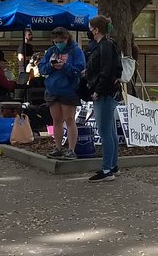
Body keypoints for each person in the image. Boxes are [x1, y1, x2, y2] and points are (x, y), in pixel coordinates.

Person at [84, 15, 123, 182]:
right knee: (111, 130)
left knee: (105, 131)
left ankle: (107, 169)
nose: (89, 31)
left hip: (104, 93)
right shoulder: (109, 44)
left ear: (96, 29)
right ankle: (113, 165)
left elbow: (106, 70)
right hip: (110, 91)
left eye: (90, 28)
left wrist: (97, 91)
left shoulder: (104, 45)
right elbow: (114, 68)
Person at [40, 26, 85, 159]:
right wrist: (51, 66)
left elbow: (80, 69)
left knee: (69, 119)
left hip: (69, 90)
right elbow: (42, 68)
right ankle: (58, 147)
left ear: (67, 38)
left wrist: (64, 67)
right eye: (56, 41)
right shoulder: (51, 51)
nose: (59, 43)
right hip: (53, 89)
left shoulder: (75, 51)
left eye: (61, 40)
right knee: (56, 120)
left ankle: (71, 149)